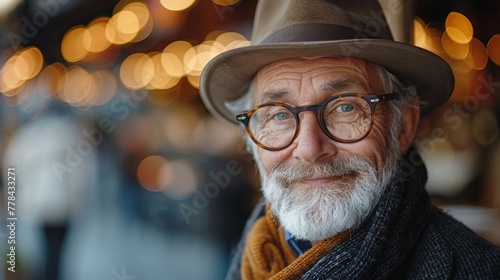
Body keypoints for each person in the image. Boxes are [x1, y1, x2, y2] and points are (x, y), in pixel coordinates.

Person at [199, 0, 500, 279]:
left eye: (345, 107)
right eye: (278, 114)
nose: (309, 149)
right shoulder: (252, 259)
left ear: (403, 126)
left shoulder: (477, 270)